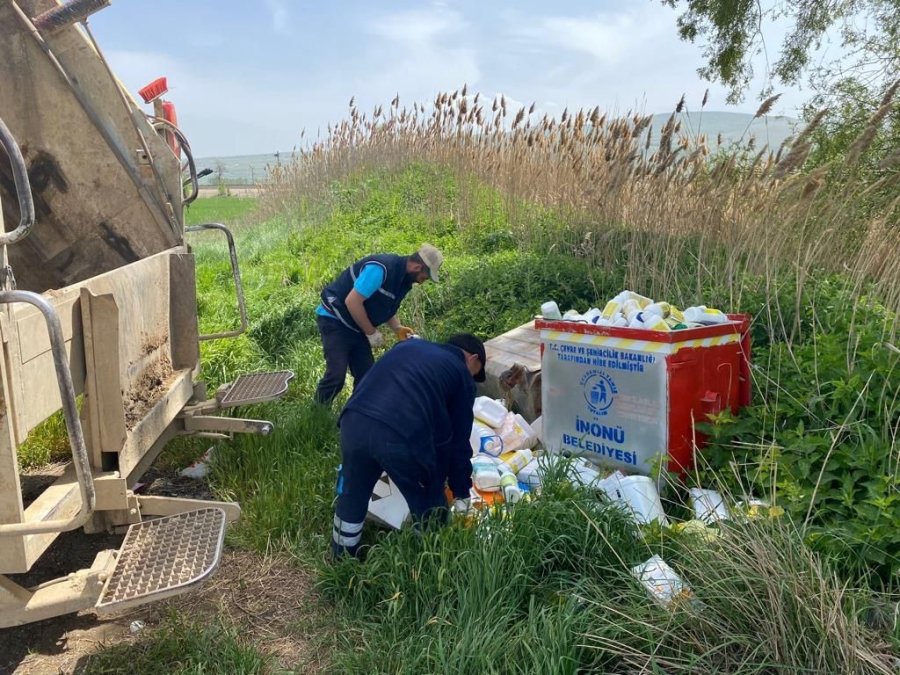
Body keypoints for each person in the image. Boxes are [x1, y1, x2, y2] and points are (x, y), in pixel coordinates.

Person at [331, 333, 486, 559]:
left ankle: (342, 559)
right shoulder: (461, 373)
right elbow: (458, 443)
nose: (472, 378)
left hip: (353, 421)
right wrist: (461, 492)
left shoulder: (409, 347)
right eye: (475, 372)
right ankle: (431, 564)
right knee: (430, 502)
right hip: (399, 432)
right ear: (473, 359)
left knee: (353, 492)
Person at [314, 244, 444, 405]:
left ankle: (356, 413)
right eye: (425, 277)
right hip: (335, 318)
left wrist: (397, 328)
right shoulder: (381, 269)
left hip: (356, 324)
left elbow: (384, 305)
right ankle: (317, 412)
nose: (423, 281)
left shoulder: (403, 280)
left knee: (367, 377)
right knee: (336, 376)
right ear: (417, 267)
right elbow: (352, 302)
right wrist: (371, 333)